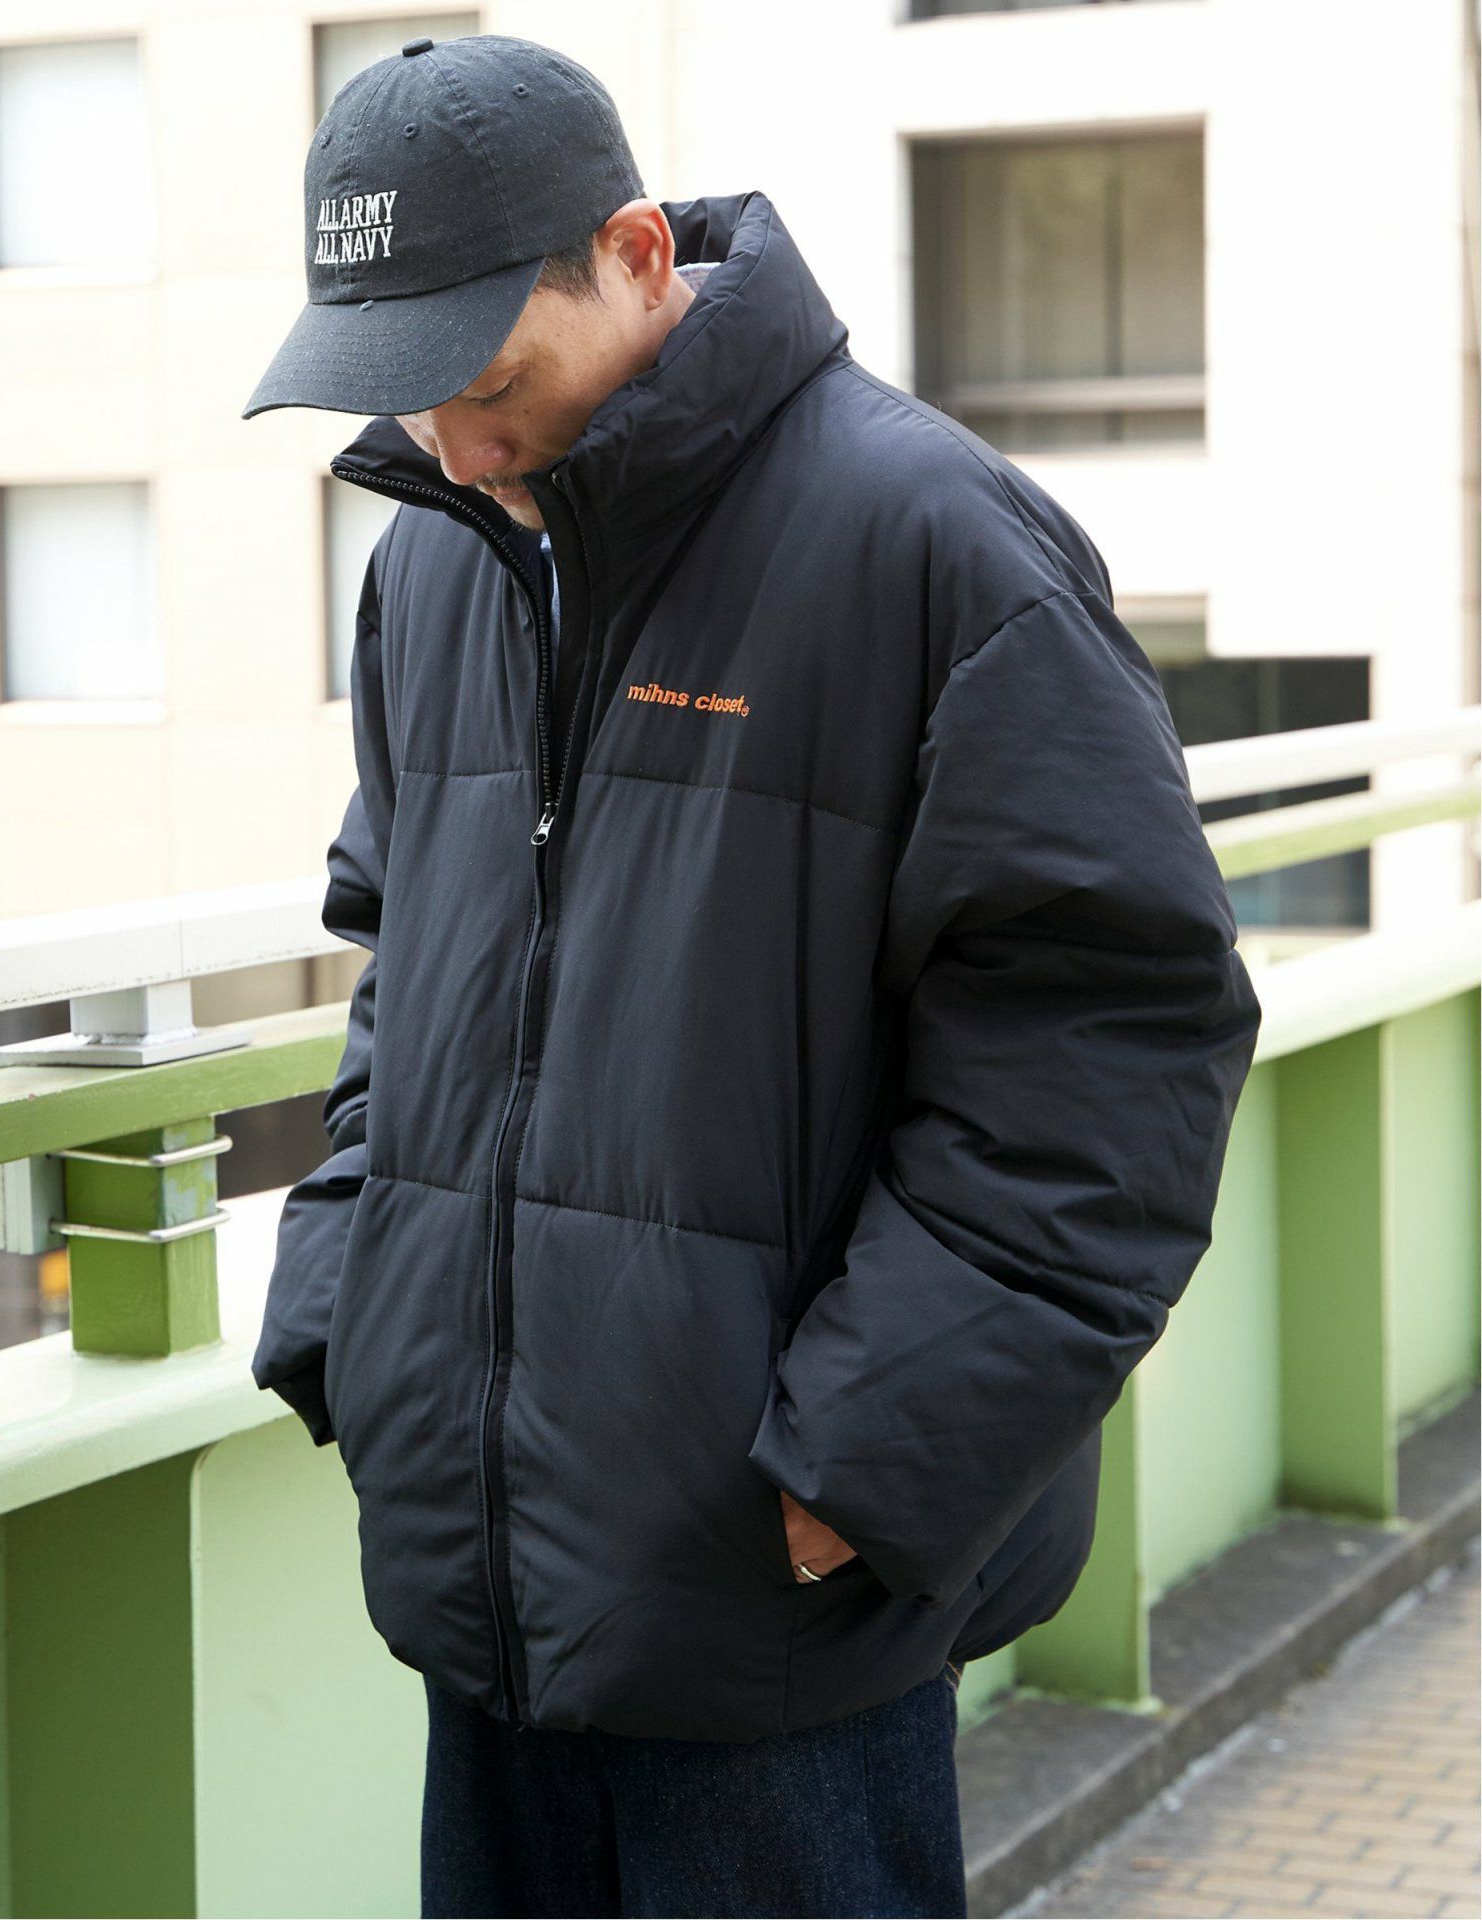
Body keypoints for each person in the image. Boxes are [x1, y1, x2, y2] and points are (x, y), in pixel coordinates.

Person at [242, 32, 1263, 1920]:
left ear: (638, 255)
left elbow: (1113, 1046)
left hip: (777, 1608)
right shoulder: (438, 565)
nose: (454, 448)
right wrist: (353, 1327)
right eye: (404, 393)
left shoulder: (935, 543)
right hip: (484, 1565)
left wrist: (855, 1472)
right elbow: (406, 967)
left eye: (491, 381)